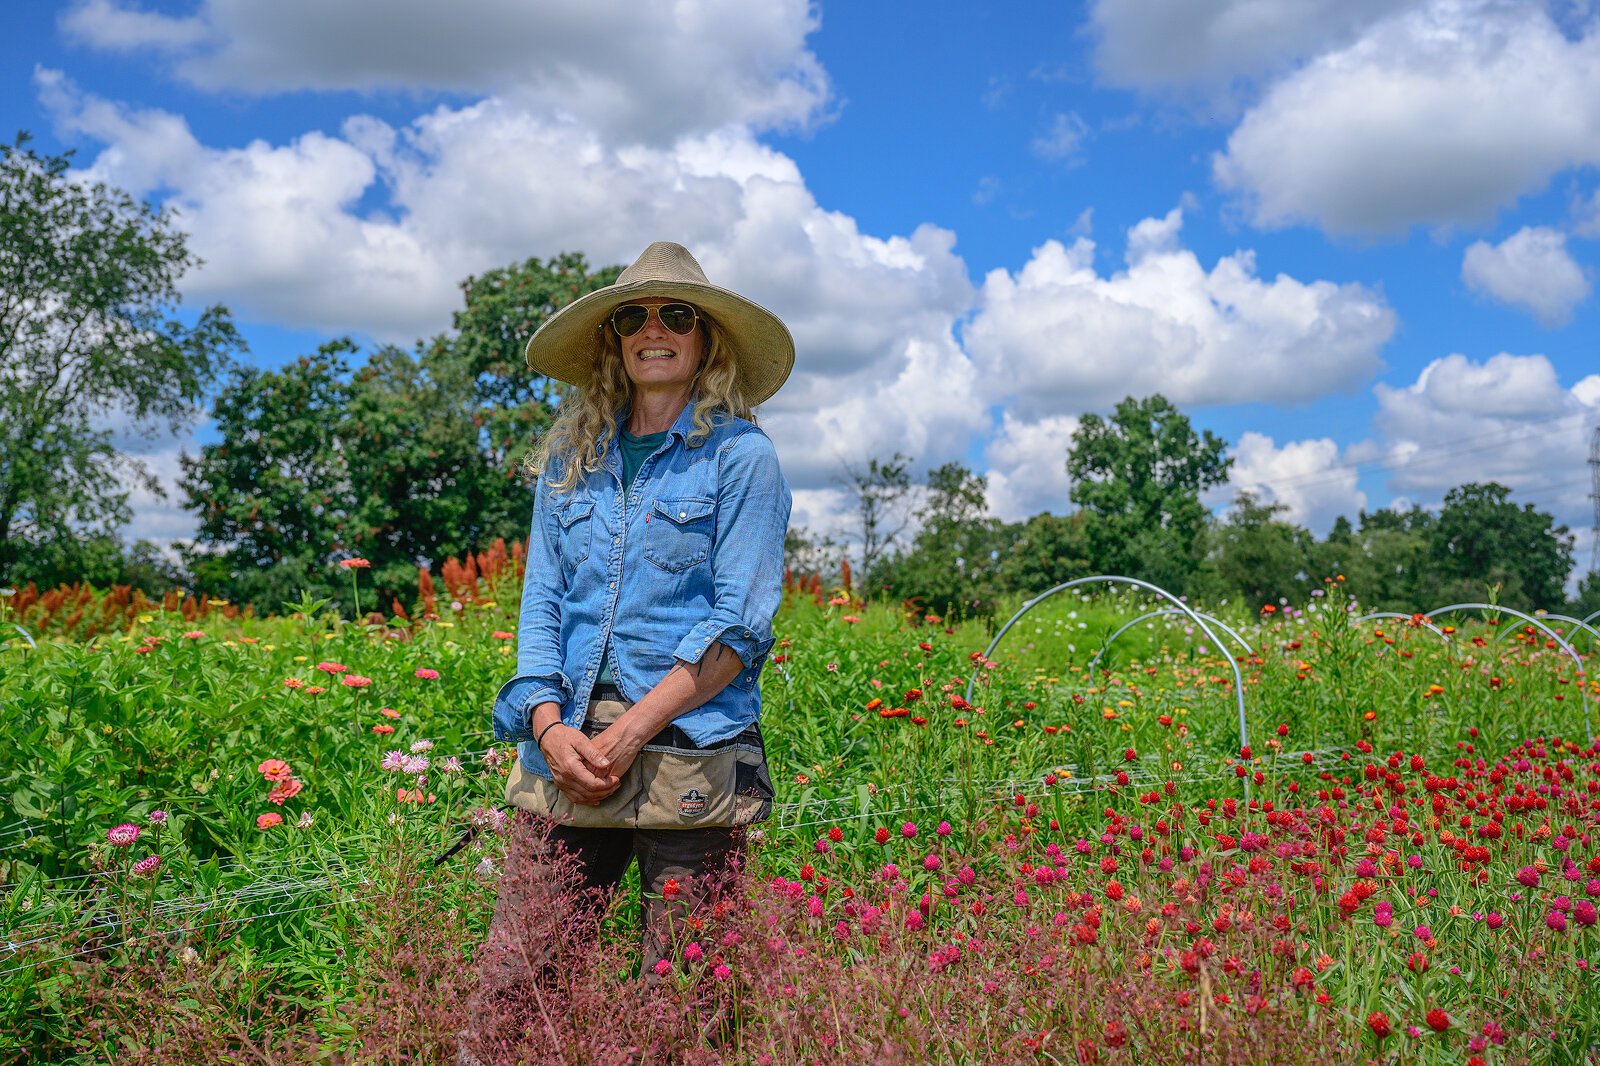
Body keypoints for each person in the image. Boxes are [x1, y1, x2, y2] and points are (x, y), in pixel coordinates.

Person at [477, 241, 793, 1007]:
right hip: (572, 741)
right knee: (518, 983)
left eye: (677, 314)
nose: (656, 329)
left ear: (704, 338)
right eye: (634, 316)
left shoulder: (741, 458)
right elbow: (541, 609)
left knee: (682, 991)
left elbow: (738, 628)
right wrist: (550, 731)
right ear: (614, 340)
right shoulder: (569, 464)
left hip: (690, 746)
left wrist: (627, 736)